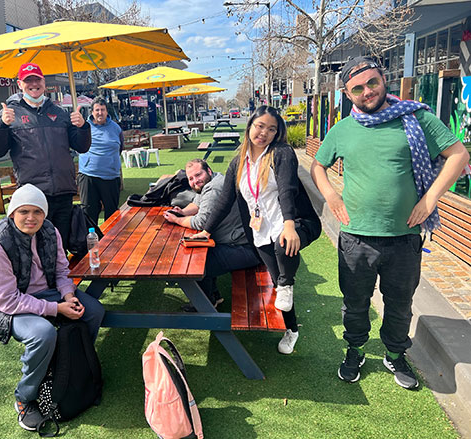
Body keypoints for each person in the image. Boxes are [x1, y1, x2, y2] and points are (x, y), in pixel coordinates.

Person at [310, 56, 469, 389]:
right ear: (347, 93)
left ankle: (395, 354)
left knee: (399, 304)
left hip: (404, 238)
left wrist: (430, 199)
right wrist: (332, 197)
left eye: (372, 82)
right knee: (355, 303)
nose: (367, 91)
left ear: (384, 79)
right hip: (356, 238)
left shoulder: (417, 118)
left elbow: (458, 155)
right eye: (358, 88)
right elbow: (317, 166)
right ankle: (354, 350)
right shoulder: (342, 129)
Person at [0, 184, 104, 432]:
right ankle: (24, 398)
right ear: (12, 213)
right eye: (24, 211)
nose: (31, 218)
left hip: (50, 292)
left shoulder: (50, 230)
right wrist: (57, 308)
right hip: (1, 305)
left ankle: (74, 365)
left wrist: (68, 294)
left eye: (37, 212)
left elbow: (63, 271)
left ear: (44, 214)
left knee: (94, 311)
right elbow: (6, 300)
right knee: (43, 334)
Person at [192, 107, 321, 354]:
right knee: (277, 278)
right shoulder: (238, 162)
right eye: (260, 126)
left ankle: (287, 282)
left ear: (277, 133)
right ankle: (292, 329)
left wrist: (290, 224)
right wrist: (206, 231)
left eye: (271, 129)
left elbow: (287, 189)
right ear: (250, 125)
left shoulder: (281, 153)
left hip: (296, 222)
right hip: (261, 229)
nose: (264, 133)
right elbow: (225, 200)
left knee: (283, 257)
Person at [0, 62, 91, 252]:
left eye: (37, 79)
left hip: (63, 191)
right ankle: (41, 283)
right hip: (33, 195)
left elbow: (82, 147)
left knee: (61, 245)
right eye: (28, 81)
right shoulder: (10, 114)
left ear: (44, 83)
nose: (33, 84)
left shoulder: (60, 113)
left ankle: (62, 282)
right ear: (20, 84)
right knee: (37, 248)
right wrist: (2, 126)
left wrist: (83, 126)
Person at [163, 159, 261, 312]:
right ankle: (214, 296)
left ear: (208, 171)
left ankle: (206, 304)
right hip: (236, 241)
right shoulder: (213, 180)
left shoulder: (214, 188)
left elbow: (201, 222)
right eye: (191, 178)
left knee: (195, 264)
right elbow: (197, 204)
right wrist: (182, 212)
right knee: (200, 253)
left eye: (198, 175)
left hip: (244, 247)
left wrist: (177, 220)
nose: (195, 181)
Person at [77, 97, 124, 224]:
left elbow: (120, 147)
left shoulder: (116, 128)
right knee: (89, 212)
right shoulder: (84, 127)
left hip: (111, 176)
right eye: (97, 110)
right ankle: (90, 241)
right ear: (92, 112)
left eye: (102, 110)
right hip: (88, 175)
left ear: (107, 111)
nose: (100, 113)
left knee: (112, 213)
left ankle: (112, 241)